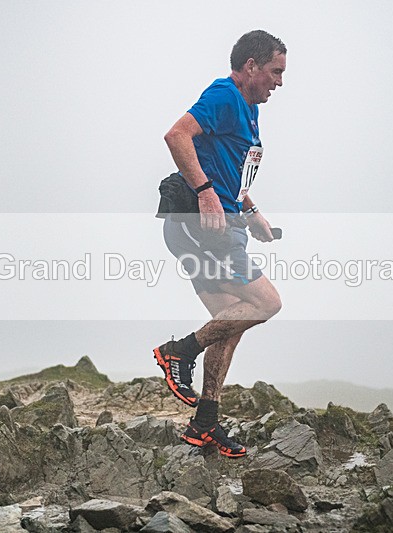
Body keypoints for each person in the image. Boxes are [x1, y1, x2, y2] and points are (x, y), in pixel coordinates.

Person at [154, 30, 286, 458]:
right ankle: (179, 352)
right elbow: (177, 136)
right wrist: (206, 191)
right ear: (251, 66)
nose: (279, 82)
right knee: (266, 304)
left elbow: (231, 171)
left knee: (231, 322)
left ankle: (205, 423)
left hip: (223, 224)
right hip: (200, 223)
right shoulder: (226, 94)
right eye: (274, 72)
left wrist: (251, 212)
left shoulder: (247, 110)